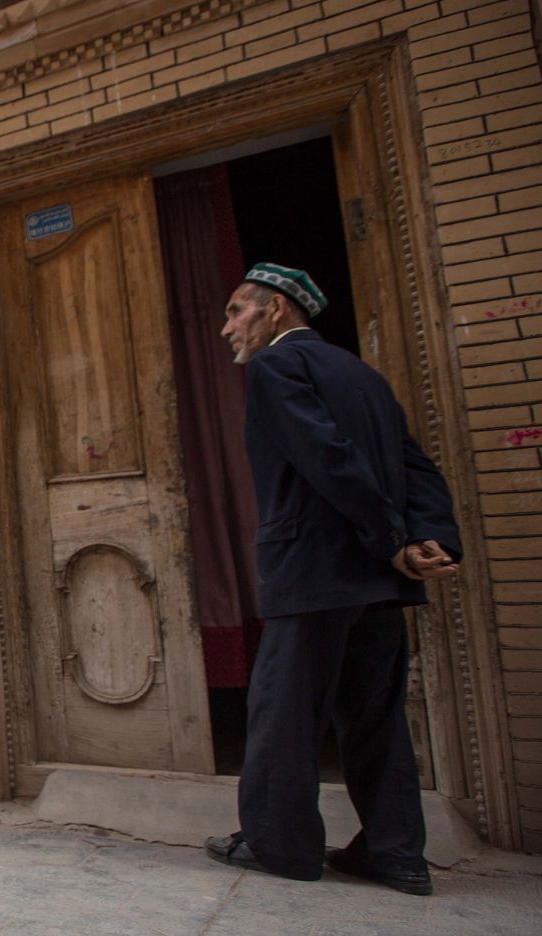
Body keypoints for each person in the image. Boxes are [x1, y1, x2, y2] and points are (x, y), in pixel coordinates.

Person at [203, 263, 461, 896]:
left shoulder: (276, 366)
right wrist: (428, 537)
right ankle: (396, 854)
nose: (227, 327)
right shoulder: (364, 376)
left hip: (315, 570)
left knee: (285, 712)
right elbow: (417, 468)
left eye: (237, 311)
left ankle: (281, 846)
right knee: (376, 717)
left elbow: (325, 456)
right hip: (376, 579)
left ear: (276, 310)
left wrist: (393, 539)